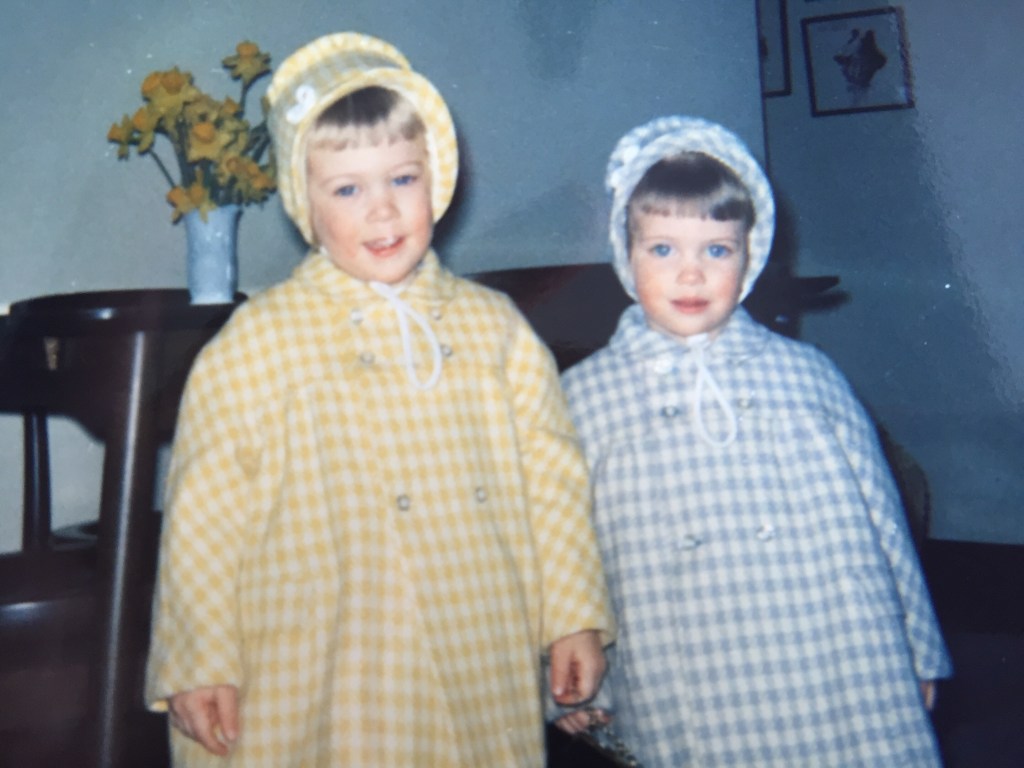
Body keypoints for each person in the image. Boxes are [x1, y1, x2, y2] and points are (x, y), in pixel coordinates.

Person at [145, 32, 613, 767]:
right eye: (347, 190)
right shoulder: (256, 344)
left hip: (476, 634)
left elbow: (553, 481)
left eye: (402, 178)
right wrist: (200, 657)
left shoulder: (495, 330)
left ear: (437, 176)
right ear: (305, 202)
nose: (383, 211)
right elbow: (203, 517)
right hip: (328, 652)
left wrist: (572, 614)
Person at [556, 115, 951, 767]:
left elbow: (884, 521)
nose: (691, 274)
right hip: (684, 662)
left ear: (751, 254)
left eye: (716, 250)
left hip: (836, 649)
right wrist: (562, 668)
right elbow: (553, 549)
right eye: (663, 250)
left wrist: (919, 646)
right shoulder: (585, 397)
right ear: (626, 254)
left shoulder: (808, 375)